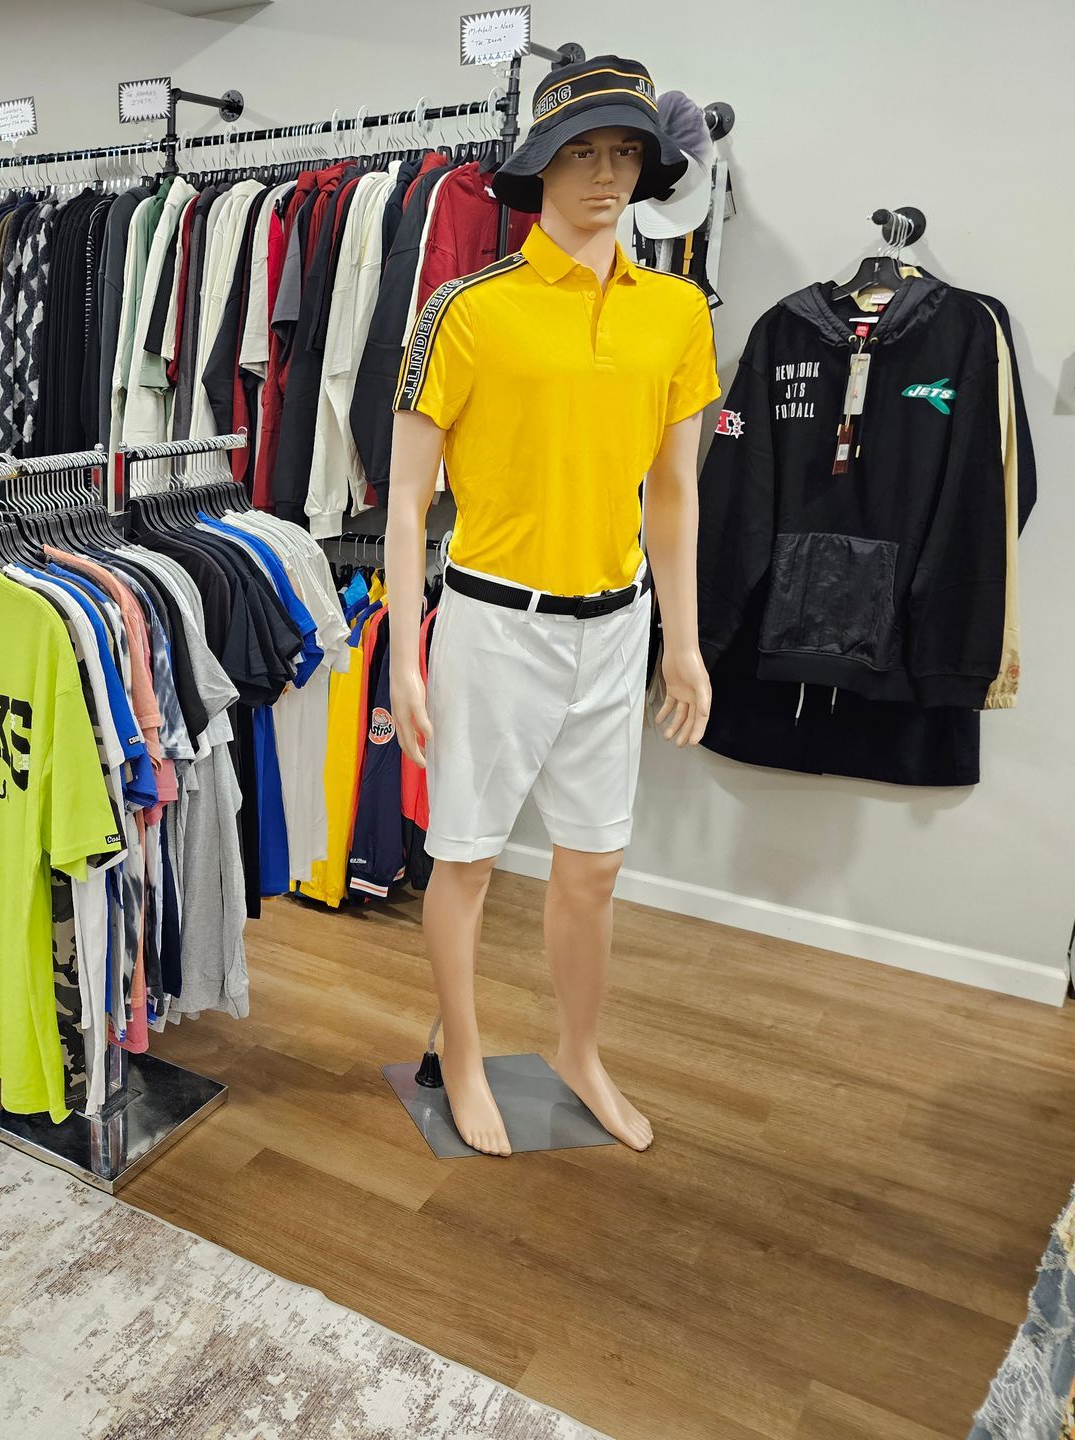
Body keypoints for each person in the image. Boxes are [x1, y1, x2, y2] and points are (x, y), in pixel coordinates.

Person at [383, 56, 721, 1157]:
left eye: (626, 153)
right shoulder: (465, 312)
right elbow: (405, 499)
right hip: (496, 621)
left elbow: (674, 494)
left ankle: (580, 1047)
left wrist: (686, 639)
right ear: (541, 167)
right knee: (468, 857)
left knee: (596, 863)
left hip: (616, 624)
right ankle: (468, 1057)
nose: (607, 175)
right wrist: (402, 652)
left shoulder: (677, 313)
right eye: (584, 152)